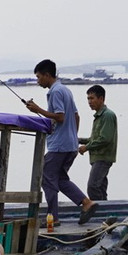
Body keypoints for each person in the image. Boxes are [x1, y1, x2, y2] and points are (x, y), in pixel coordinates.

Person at [23, 60, 98, 225]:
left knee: (46, 177)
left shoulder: (55, 92)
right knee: (60, 179)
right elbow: (76, 116)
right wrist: (72, 136)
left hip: (59, 146)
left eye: (38, 77)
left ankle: (53, 218)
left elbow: (60, 116)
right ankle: (86, 203)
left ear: (47, 75)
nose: (37, 81)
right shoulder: (66, 90)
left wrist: (38, 110)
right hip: (70, 145)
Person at [78, 85, 117, 202]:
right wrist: (79, 140)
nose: (89, 102)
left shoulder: (107, 115)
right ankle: (106, 215)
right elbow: (95, 138)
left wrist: (86, 147)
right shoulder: (99, 116)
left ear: (101, 99)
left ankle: (98, 212)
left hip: (103, 157)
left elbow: (105, 139)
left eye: (92, 98)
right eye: (88, 99)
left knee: (93, 187)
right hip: (97, 157)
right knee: (100, 188)